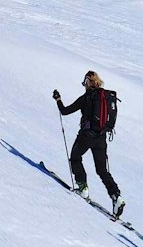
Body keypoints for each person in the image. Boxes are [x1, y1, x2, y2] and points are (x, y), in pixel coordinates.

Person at [53, 71, 124, 216]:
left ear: (87, 82)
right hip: (101, 138)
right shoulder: (106, 96)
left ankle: (82, 187)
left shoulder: (87, 97)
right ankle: (116, 195)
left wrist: (58, 99)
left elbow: (65, 111)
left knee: (75, 157)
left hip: (86, 136)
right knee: (102, 170)